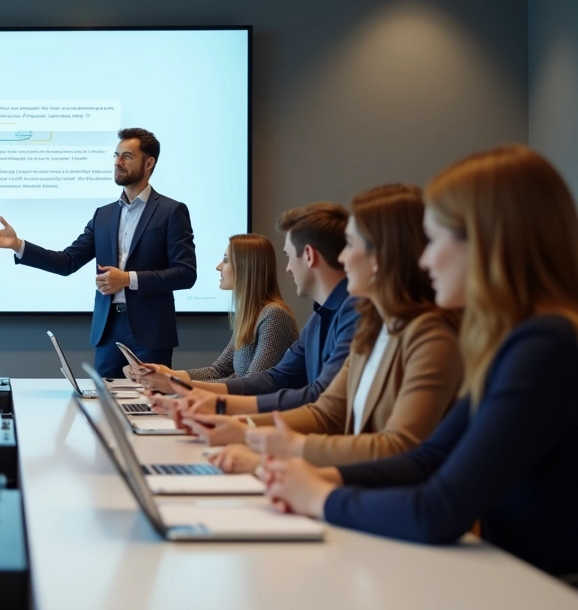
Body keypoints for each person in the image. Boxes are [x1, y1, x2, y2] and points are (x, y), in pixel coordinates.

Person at [265, 146, 578, 581]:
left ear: (488, 240)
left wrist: (319, 496)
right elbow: (427, 459)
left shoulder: (546, 344)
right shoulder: (519, 340)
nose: (424, 259)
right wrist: (319, 477)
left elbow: (439, 508)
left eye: (436, 241)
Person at [185, 185, 461, 471]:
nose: (341, 258)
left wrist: (272, 448)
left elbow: (395, 447)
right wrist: (239, 426)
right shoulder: (376, 323)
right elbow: (327, 411)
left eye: (351, 245)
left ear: (382, 255)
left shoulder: (427, 334)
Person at [0, 127, 196, 377]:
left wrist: (127, 279)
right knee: (102, 404)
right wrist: (18, 245)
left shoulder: (171, 211)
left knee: (150, 406)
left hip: (150, 332)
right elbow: (67, 262)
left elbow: (186, 273)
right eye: (116, 155)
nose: (118, 162)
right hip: (107, 329)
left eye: (127, 156)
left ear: (149, 163)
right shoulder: (103, 215)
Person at [137, 202, 359, 414]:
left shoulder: (279, 316)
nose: (289, 268)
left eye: (289, 257)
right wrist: (176, 381)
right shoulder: (317, 318)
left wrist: (186, 389)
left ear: (309, 255)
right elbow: (268, 377)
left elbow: (285, 390)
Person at [124, 234, 298, 383]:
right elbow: (219, 370)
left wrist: (174, 382)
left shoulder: (274, 316)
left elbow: (251, 384)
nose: (218, 267)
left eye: (226, 260)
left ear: (246, 267)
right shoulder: (250, 315)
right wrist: (166, 373)